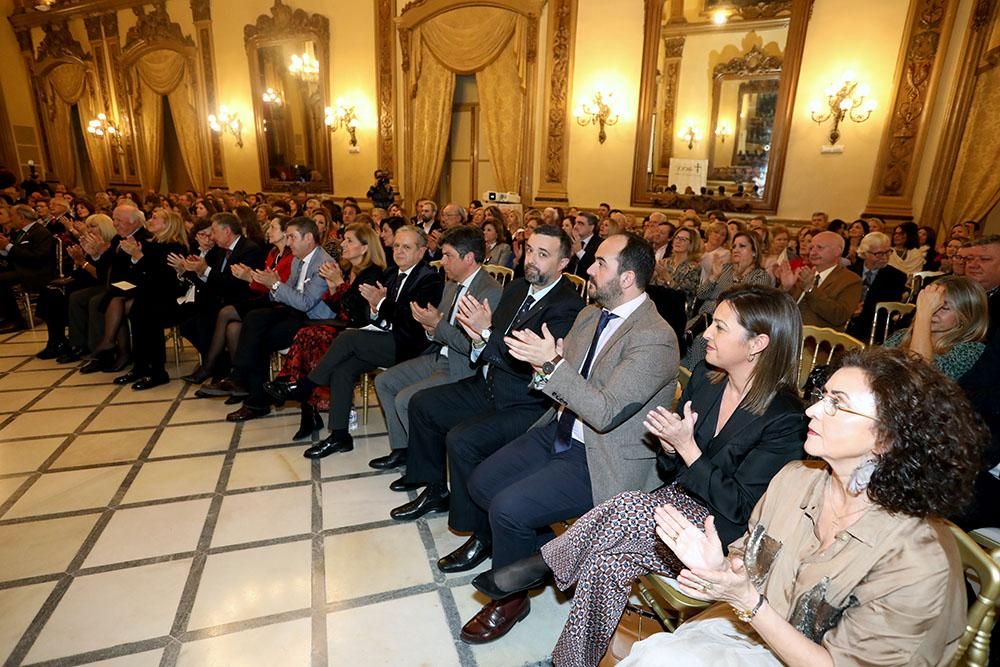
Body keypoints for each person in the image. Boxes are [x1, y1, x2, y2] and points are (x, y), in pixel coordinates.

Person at [484, 286, 807, 665]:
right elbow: (669, 469)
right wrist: (672, 448)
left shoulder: (784, 417)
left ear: (758, 344)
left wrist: (687, 449)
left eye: (720, 327)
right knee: (608, 561)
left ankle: (547, 562)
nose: (705, 334)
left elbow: (740, 507)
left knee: (629, 503)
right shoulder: (707, 377)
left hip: (720, 534)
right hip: (676, 502)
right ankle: (568, 661)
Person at [620, 347, 985, 667]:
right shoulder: (795, 480)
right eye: (822, 396)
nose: (812, 411)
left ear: (887, 438)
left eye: (837, 405)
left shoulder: (916, 560)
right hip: (749, 632)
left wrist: (746, 599)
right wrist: (721, 569)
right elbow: (747, 558)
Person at [456, 232, 679, 644]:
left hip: (601, 454)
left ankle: (511, 598)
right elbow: (560, 385)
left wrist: (552, 364)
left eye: (599, 264)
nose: (588, 270)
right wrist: (543, 364)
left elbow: (604, 412)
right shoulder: (591, 315)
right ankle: (550, 554)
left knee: (508, 507)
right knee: (482, 483)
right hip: (559, 429)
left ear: (627, 277)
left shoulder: (655, 337)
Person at [263, 225, 444, 457]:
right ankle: (340, 436)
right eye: (397, 245)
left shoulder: (429, 280)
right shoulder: (390, 274)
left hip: (411, 346)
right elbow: (368, 314)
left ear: (421, 252)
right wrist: (375, 310)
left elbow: (412, 322)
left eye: (406, 247)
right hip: (384, 337)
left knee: (347, 338)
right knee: (343, 368)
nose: (399, 251)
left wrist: (380, 305)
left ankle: (306, 385)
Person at [368, 226, 503, 470]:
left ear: (469, 258)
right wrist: (429, 326)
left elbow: (472, 346)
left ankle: (426, 467)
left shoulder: (489, 292)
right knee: (384, 381)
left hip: (463, 366)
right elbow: (439, 330)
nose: (443, 261)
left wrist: (437, 324)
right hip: (439, 355)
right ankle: (403, 449)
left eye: (449, 255)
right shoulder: (452, 284)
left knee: (406, 399)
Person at [267, 223, 388, 439]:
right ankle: (307, 408)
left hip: (362, 331)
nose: (343, 244)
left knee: (315, 335)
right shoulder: (352, 270)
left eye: (349, 241)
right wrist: (335, 288)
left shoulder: (373, 274)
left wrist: (339, 284)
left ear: (365, 248)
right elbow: (339, 308)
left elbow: (359, 315)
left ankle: (296, 389)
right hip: (345, 326)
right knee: (306, 334)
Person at [685, 232, 771, 368]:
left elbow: (747, 304)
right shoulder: (725, 269)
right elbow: (700, 294)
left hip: (733, 323)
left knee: (701, 341)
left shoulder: (760, 276)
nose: (736, 249)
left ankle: (695, 378)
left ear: (754, 252)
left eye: (742, 246)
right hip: (704, 319)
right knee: (682, 334)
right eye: (734, 246)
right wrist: (713, 277)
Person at [885, 276, 989, 381]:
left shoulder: (971, 350)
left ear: (966, 316)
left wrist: (924, 315)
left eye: (944, 307)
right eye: (929, 305)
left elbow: (922, 376)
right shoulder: (900, 336)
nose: (933, 312)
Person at [775, 231, 862, 331]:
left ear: (838, 251)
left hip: (819, 341)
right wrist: (785, 288)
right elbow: (777, 309)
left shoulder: (850, 280)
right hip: (787, 333)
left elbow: (839, 316)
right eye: (811, 248)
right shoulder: (801, 273)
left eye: (820, 247)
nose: (812, 252)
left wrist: (810, 289)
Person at [0, 205, 55, 332]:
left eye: (12, 215)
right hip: (21, 268)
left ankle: (15, 320)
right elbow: (16, 254)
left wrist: (8, 246)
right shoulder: (20, 233)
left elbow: (37, 257)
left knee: (1, 280)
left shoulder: (40, 232)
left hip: (36, 272)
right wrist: (4, 249)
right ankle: (4, 316)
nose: (10, 219)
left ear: (21, 217)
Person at [845, 232, 907, 342]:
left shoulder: (897, 277)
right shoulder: (848, 272)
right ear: (864, 253)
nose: (885, 257)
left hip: (875, 331)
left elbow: (887, 311)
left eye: (888, 252)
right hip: (845, 325)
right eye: (879, 254)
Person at [651, 227, 701, 299]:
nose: (678, 241)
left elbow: (684, 294)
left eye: (683, 239)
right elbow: (653, 287)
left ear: (692, 244)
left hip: (678, 307)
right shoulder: (664, 262)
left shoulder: (694, 268)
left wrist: (666, 276)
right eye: (676, 238)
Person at [568, 211, 600, 277]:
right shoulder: (570, 241)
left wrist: (579, 252)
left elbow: (594, 267)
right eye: (575, 223)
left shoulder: (600, 244)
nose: (575, 226)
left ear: (591, 227)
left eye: (580, 223)